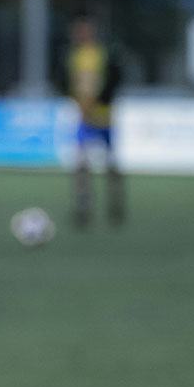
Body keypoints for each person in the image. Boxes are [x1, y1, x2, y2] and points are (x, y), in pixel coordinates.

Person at [61, 12, 124, 227]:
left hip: (104, 117)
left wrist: (97, 101)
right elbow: (69, 84)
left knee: (111, 164)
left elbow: (114, 80)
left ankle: (115, 204)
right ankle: (83, 206)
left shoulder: (103, 54)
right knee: (81, 163)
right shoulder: (73, 56)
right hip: (84, 118)